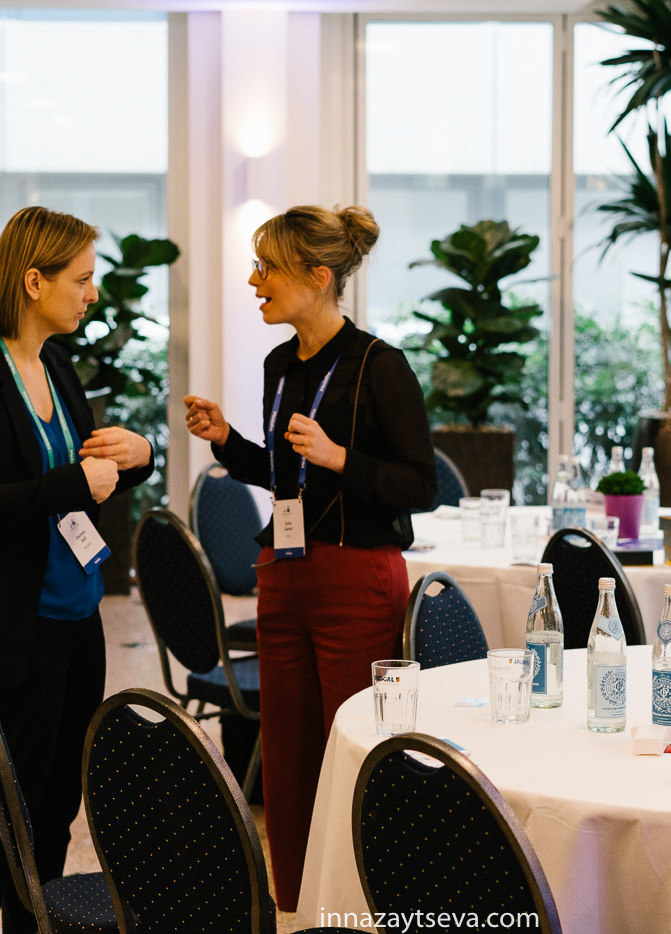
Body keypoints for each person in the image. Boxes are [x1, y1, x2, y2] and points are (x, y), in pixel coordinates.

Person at [184, 204, 435, 910]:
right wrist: (228, 440)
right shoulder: (277, 364)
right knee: (288, 758)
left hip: (356, 574)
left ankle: (359, 904)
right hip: (284, 572)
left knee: (352, 747)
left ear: (318, 276)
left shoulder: (378, 367)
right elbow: (284, 473)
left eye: (268, 268)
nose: (254, 280)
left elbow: (419, 483)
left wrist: (340, 457)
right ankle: (295, 904)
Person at [0, 205, 154, 933]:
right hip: (5, 628)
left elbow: (85, 476)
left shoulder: (56, 366)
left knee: (53, 812)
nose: (92, 294)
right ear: (32, 280)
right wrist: (76, 483)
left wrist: (137, 459)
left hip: (76, 620)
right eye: (81, 279)